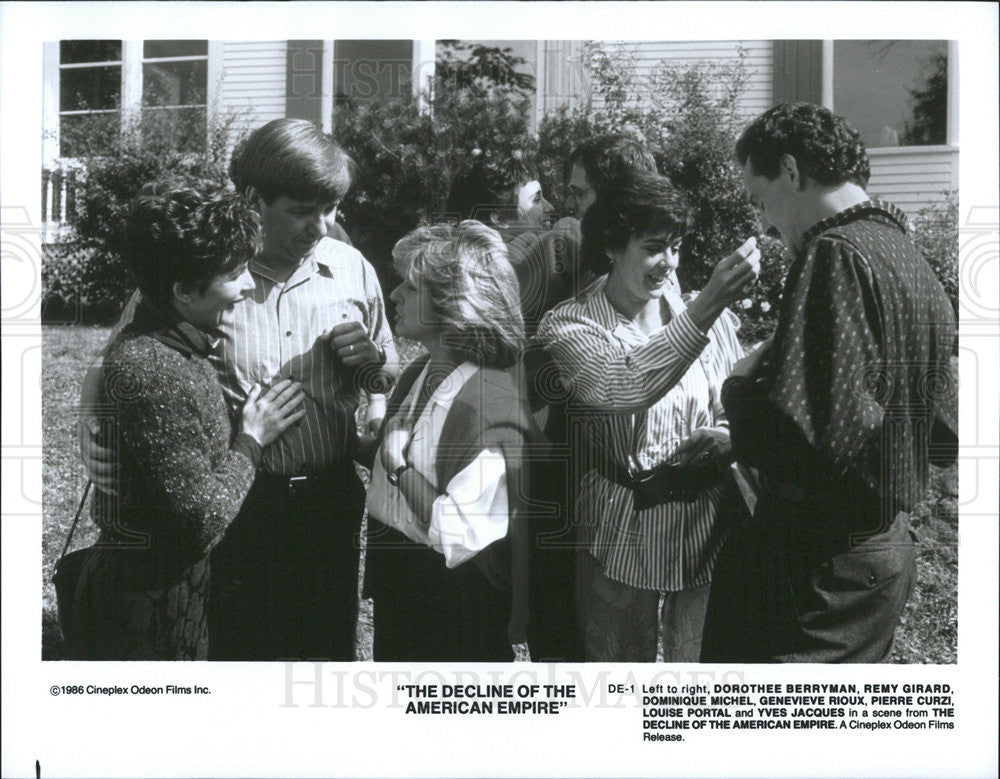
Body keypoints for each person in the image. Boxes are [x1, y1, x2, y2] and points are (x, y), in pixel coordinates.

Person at [79, 118, 399, 661]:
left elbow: (386, 372)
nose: (321, 226)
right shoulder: (206, 268)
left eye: (332, 209)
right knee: (237, 652)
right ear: (253, 199)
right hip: (237, 508)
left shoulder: (351, 268)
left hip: (329, 501)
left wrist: (371, 365)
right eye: (302, 210)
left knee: (323, 655)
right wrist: (92, 430)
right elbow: (119, 360)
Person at [700, 103, 958, 663]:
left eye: (760, 200)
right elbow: (944, 435)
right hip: (881, 557)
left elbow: (802, 447)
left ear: (791, 171)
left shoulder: (833, 253)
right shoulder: (911, 259)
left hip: (816, 563)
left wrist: (739, 388)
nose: (765, 223)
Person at [71, 188, 306, 660]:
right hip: (146, 605)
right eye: (235, 274)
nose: (246, 287)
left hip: (167, 590)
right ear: (182, 290)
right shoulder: (154, 367)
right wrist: (252, 440)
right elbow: (203, 518)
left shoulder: (176, 339)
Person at [536, 171, 759, 662]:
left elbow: (731, 403)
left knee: (700, 678)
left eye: (676, 247)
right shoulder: (572, 324)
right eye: (654, 247)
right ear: (613, 247)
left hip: (707, 525)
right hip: (622, 527)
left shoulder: (706, 316)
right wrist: (706, 306)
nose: (669, 263)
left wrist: (725, 434)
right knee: (617, 680)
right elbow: (622, 385)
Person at [362, 221, 536, 661]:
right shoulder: (421, 372)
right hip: (405, 587)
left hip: (453, 605)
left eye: (411, 286)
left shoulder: (487, 402)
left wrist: (399, 465)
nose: (395, 294)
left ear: (454, 303)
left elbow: (457, 531)